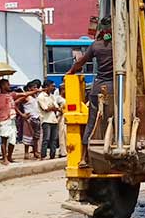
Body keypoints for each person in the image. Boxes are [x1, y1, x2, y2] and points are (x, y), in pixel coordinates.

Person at [67, 21, 114, 166]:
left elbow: (80, 62)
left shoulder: (96, 45)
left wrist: (71, 72)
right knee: (115, 121)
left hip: (97, 88)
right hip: (114, 89)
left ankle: (83, 158)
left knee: (92, 122)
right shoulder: (119, 45)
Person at [0, 78, 23, 164]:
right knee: (4, 139)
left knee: (13, 140)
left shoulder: (11, 95)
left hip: (12, 119)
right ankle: (4, 158)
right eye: (7, 84)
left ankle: (9, 157)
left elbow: (23, 94)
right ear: (2, 86)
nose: (9, 85)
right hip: (4, 119)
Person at [36, 80, 64, 160]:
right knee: (46, 139)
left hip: (53, 119)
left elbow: (56, 107)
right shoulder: (41, 97)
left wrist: (53, 108)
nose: (54, 88)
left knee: (54, 139)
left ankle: (52, 155)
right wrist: (53, 108)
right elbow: (46, 109)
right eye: (52, 86)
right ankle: (43, 155)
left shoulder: (52, 96)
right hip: (46, 120)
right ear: (47, 87)